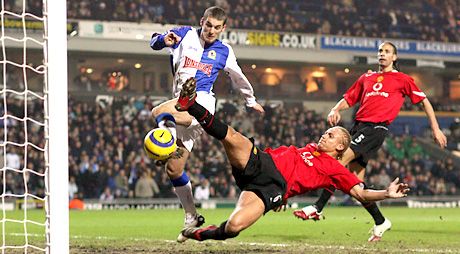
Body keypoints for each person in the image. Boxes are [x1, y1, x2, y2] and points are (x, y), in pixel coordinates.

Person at [174, 76, 409, 242]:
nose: (324, 135)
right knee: (234, 137)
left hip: (271, 188)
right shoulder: (309, 148)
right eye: (326, 132)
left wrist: (386, 194)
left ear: (340, 146)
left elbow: (361, 193)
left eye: (330, 135)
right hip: (261, 162)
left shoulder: (335, 170)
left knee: (234, 227)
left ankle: (195, 234)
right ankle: (190, 104)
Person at [293, 41, 447, 242]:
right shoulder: (367, 77)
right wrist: (335, 109)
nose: (382, 54)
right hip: (358, 127)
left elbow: (424, 101)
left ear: (394, 57)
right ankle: (380, 221)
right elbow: (349, 98)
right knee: (356, 187)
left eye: (387, 51)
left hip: (376, 128)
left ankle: (317, 207)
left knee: (337, 164)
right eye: (380, 51)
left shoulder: (402, 79)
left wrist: (435, 129)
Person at [149, 5, 264, 237]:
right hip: (180, 102)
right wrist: (163, 39)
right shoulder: (184, 34)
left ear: (224, 28)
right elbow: (153, 42)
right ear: (202, 21)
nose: (211, 30)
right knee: (174, 168)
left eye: (216, 27)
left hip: (202, 102)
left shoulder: (224, 51)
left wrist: (250, 101)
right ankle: (192, 215)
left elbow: (238, 76)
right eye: (208, 25)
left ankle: (166, 136)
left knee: (157, 112)